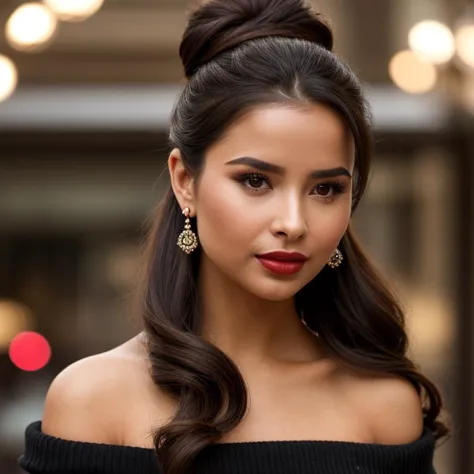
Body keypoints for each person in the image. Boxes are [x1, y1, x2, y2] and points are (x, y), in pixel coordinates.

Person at [19, 0, 449, 473]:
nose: (293, 222)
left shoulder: (383, 404)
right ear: (185, 180)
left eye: (326, 189)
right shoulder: (92, 401)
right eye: (256, 181)